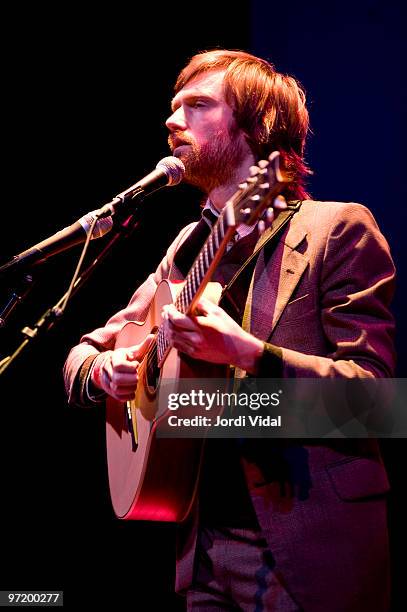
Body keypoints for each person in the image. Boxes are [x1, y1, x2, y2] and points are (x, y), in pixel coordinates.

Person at [63, 50, 396, 610]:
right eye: (173, 109)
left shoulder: (336, 229)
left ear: (259, 127)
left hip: (309, 546)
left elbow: (378, 405)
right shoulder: (185, 251)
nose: (173, 121)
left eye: (197, 106)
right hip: (203, 552)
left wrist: (248, 354)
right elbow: (85, 351)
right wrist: (106, 372)